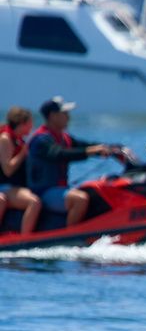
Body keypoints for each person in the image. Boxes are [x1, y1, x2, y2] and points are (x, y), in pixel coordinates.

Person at [27, 97, 130, 227]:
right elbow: (60, 154)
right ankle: (70, 238)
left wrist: (116, 148)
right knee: (80, 199)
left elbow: (86, 145)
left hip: (61, 190)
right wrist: (91, 151)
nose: (68, 117)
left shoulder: (64, 137)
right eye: (64, 113)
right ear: (53, 116)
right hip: (45, 192)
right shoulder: (41, 140)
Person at [0, 106, 42, 236]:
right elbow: (8, 169)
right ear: (22, 123)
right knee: (33, 202)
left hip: (12, 187)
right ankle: (24, 240)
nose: (32, 127)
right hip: (3, 187)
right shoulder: (5, 139)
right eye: (30, 123)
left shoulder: (19, 140)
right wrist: (23, 153)